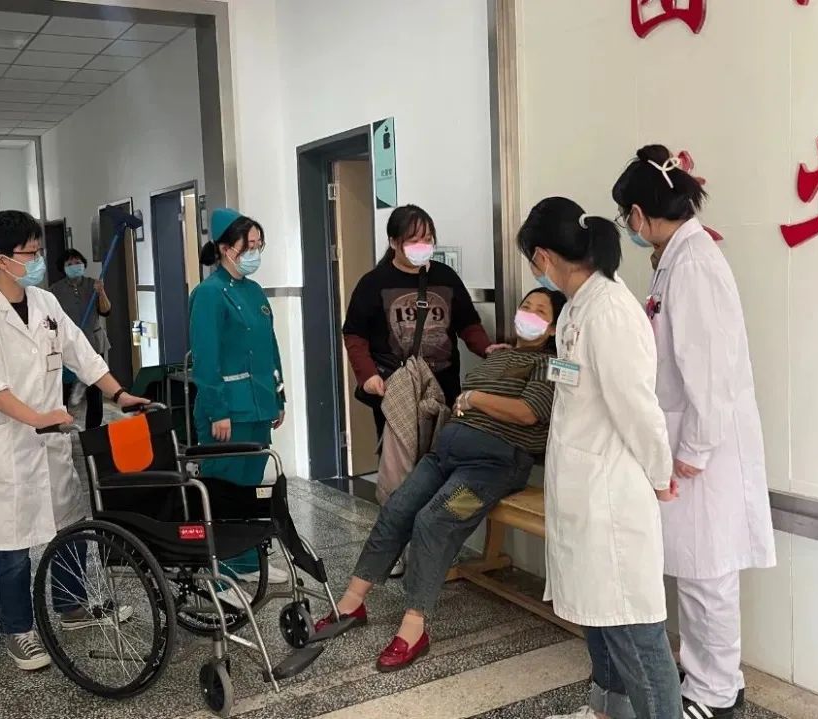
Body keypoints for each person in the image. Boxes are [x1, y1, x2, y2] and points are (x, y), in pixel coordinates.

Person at [318, 288, 565, 672]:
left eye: (540, 312)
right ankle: (352, 602)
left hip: (491, 470)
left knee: (436, 520)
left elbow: (528, 413)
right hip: (444, 456)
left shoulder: (549, 364)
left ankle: (414, 627)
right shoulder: (499, 355)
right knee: (397, 508)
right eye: (525, 306)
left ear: (551, 329)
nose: (529, 314)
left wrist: (475, 399)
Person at [613, 145, 775, 718]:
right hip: (688, 439)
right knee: (696, 568)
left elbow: (709, 372)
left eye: (626, 217)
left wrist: (695, 449)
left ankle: (716, 693)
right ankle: (706, 674)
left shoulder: (696, 263)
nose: (629, 228)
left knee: (709, 573)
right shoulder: (676, 257)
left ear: (638, 213)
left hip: (704, 444)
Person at [0, 210, 148, 671]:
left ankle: (72, 606)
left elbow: (82, 353)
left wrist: (119, 393)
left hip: (49, 440)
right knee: (11, 549)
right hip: (4, 447)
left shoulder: (44, 302)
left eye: (39, 250)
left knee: (70, 528)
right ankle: (18, 630)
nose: (40, 259)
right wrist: (38, 418)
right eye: (31, 252)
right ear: (2, 260)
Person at [518, 197, 682, 719]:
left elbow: (638, 408)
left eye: (532, 260)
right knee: (602, 622)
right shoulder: (577, 307)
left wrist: (660, 474)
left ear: (543, 256)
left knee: (635, 633)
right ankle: (608, 709)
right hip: (585, 492)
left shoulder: (609, 311)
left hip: (612, 497)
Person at [189, 208, 288, 605]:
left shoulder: (254, 291)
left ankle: (246, 560)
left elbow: (270, 348)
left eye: (259, 246)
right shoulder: (209, 294)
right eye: (249, 246)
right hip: (227, 411)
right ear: (226, 248)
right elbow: (205, 358)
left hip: (259, 406)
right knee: (223, 492)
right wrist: (217, 411)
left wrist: (278, 397)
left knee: (250, 490)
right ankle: (218, 574)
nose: (255, 253)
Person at [343, 204, 503, 440]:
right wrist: (368, 376)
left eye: (427, 239)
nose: (422, 246)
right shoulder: (373, 283)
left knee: (444, 449)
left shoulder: (445, 277)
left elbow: (468, 323)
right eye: (413, 240)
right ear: (393, 242)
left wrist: (486, 348)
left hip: (443, 386)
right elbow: (355, 335)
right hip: (396, 389)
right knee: (400, 456)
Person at [49, 248, 111, 429]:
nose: (74, 266)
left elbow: (106, 310)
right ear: (63, 268)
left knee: (95, 389)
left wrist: (101, 292)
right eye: (70, 264)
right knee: (64, 389)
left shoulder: (94, 285)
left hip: (93, 343)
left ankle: (93, 431)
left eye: (77, 263)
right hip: (68, 345)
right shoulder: (55, 290)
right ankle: (63, 428)